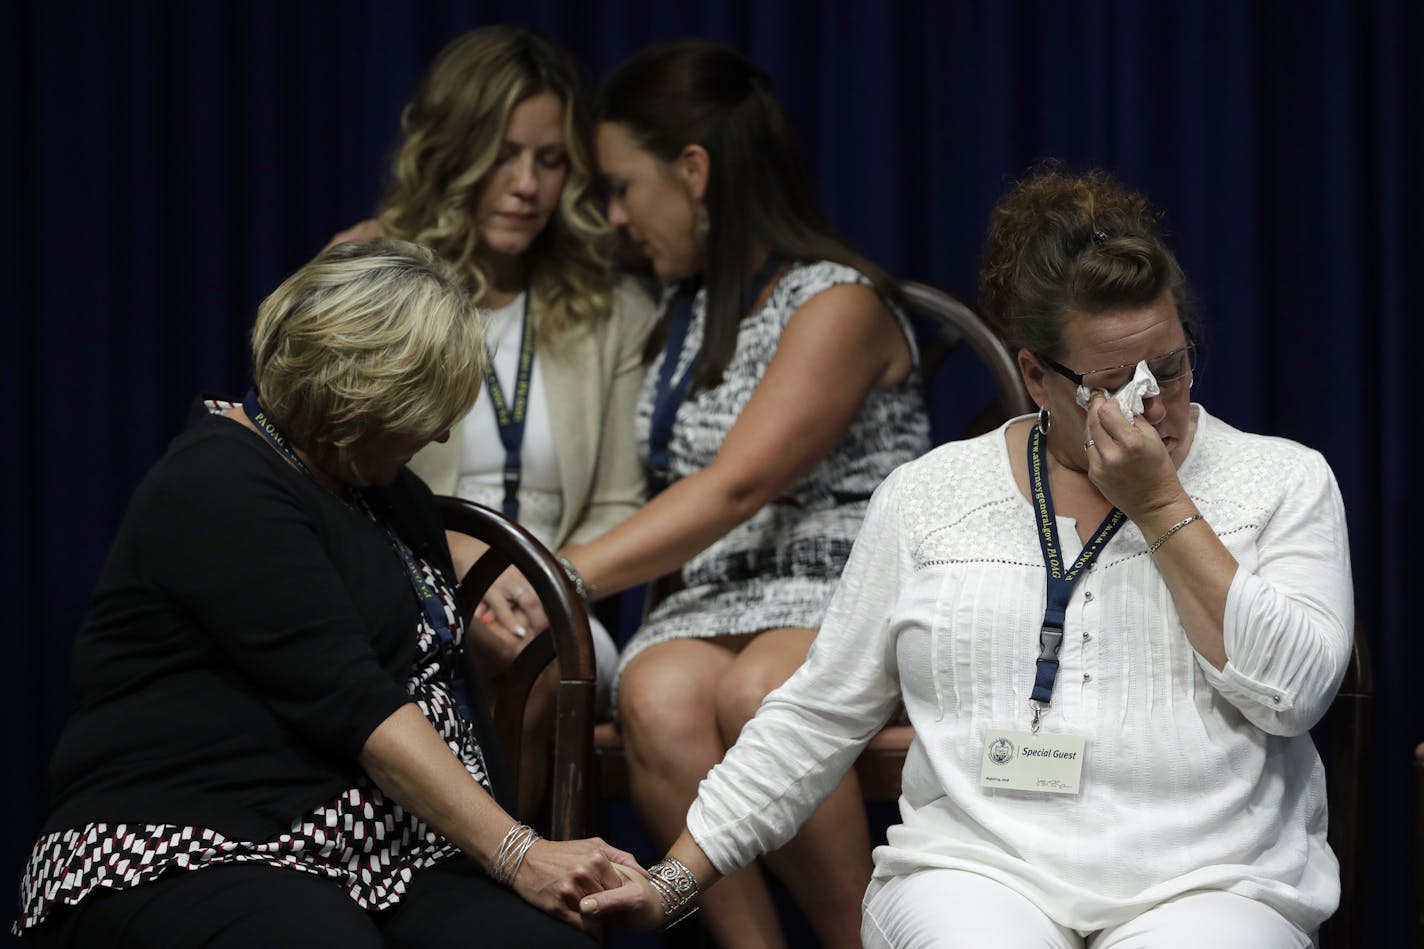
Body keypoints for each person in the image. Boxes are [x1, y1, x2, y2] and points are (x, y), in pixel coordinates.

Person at [578, 166, 1354, 949]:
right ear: (1036, 377)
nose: (1153, 405)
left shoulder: (1282, 480)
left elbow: (1294, 691)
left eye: (1173, 365)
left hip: (1213, 880)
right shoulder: (930, 496)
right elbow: (816, 714)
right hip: (978, 873)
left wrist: (1160, 505)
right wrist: (672, 880)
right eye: (1114, 382)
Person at [13, 241, 637, 947]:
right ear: (358, 391)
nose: (439, 431)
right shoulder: (218, 482)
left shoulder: (383, 491)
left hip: (383, 855)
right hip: (198, 835)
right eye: (426, 408)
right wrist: (519, 852)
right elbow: (357, 704)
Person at [509, 39, 931, 948]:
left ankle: (863, 939)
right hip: (714, 598)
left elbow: (740, 484)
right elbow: (514, 255)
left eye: (623, 186)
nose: (615, 215)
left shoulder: (838, 302)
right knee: (657, 694)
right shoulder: (677, 307)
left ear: (693, 170)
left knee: (759, 693)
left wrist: (557, 573)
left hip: (840, 591)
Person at [328, 25, 658, 730]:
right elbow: (334, 476)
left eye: (550, 160)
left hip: (555, 602)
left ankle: (513, 847)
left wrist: (543, 584)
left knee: (537, 661)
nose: (527, 186)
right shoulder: (373, 272)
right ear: (453, 152)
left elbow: (620, 502)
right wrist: (457, 580)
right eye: (502, 156)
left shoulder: (615, 304)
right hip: (406, 578)